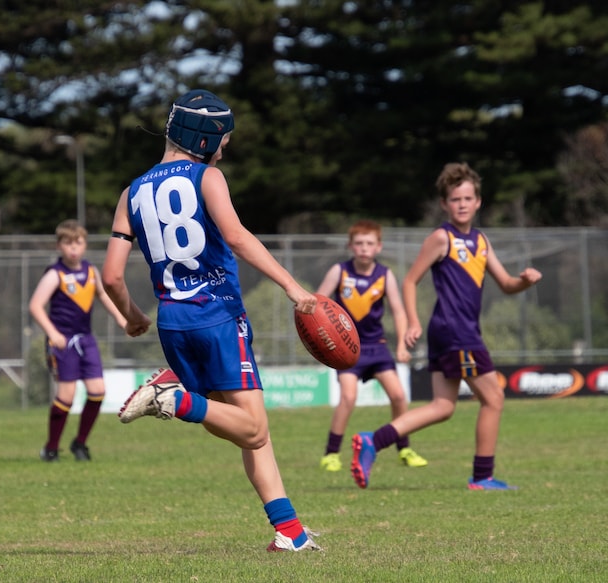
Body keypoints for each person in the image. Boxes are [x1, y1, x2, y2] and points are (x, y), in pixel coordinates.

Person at [101, 89, 321, 552]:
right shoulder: (207, 177)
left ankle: (290, 532)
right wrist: (293, 287)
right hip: (217, 315)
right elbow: (237, 238)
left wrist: (133, 317)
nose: (224, 150)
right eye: (223, 140)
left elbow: (112, 276)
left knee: (241, 426)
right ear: (204, 139)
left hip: (172, 322)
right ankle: (172, 399)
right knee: (254, 429)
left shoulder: (130, 193)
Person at [350, 162, 542, 491]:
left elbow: (507, 284)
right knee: (494, 398)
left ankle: (373, 441)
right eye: (455, 199)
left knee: (443, 407)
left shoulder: (481, 241)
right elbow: (410, 281)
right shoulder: (442, 238)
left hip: (455, 332)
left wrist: (524, 280)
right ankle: (482, 476)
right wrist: (412, 321)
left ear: (478, 202)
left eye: (468, 198)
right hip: (456, 332)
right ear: (444, 204)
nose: (462, 204)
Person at [316, 220, 428, 472]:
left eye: (369, 243)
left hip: (377, 347)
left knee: (398, 396)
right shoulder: (339, 272)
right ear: (350, 246)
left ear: (378, 247)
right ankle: (331, 453)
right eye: (359, 243)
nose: (364, 248)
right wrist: (322, 338)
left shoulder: (385, 275)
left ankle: (404, 449)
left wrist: (402, 345)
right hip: (347, 349)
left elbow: (398, 311)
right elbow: (318, 303)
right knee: (348, 397)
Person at [29, 219, 128, 462]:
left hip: (86, 341)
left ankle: (80, 444)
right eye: (68, 243)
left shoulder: (91, 271)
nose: (73, 248)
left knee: (98, 392)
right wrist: (53, 333)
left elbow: (104, 296)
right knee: (66, 396)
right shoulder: (55, 274)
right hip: (63, 343)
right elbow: (35, 306)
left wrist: (122, 319)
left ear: (85, 245)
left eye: (78, 242)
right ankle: (51, 448)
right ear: (59, 246)